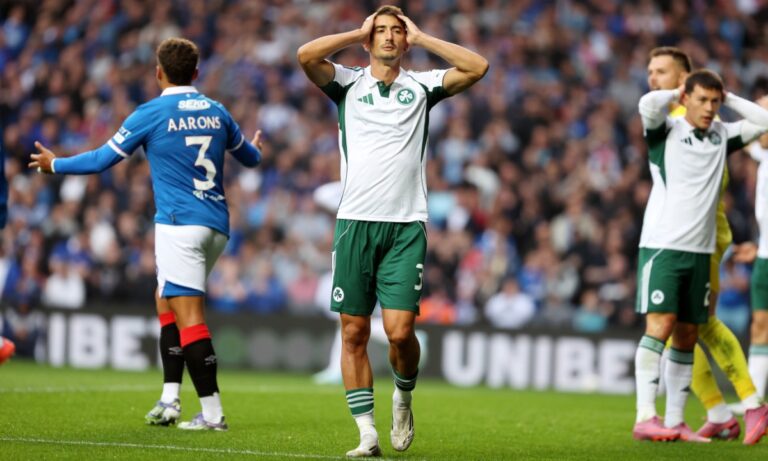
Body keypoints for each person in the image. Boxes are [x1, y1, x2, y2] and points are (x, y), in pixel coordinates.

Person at [29, 37, 263, 431]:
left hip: (179, 225)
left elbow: (102, 159)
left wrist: (56, 165)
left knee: (190, 317)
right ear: (196, 72)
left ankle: (212, 414)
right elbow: (251, 159)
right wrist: (256, 147)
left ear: (158, 73)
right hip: (216, 226)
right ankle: (170, 399)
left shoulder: (151, 113)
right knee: (165, 298)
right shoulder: (217, 111)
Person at [297, 5, 488, 457]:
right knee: (353, 334)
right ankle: (367, 433)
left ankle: (403, 397)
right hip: (354, 224)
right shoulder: (347, 83)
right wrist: (356, 31)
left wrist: (423, 39)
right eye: (380, 30)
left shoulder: (422, 86)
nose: (388, 37)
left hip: (405, 226)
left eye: (396, 31)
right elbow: (306, 55)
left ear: (405, 41)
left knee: (400, 333)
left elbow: (477, 66)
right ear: (369, 40)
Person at [632, 69, 768, 444]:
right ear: (686, 99)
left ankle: (675, 421)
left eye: (714, 101)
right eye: (702, 100)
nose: (709, 108)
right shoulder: (666, 132)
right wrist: (676, 91)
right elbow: (647, 104)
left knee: (688, 334)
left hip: (700, 253)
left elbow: (765, 122)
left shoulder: (723, 135)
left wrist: (730, 97)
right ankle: (645, 416)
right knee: (660, 325)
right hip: (664, 247)